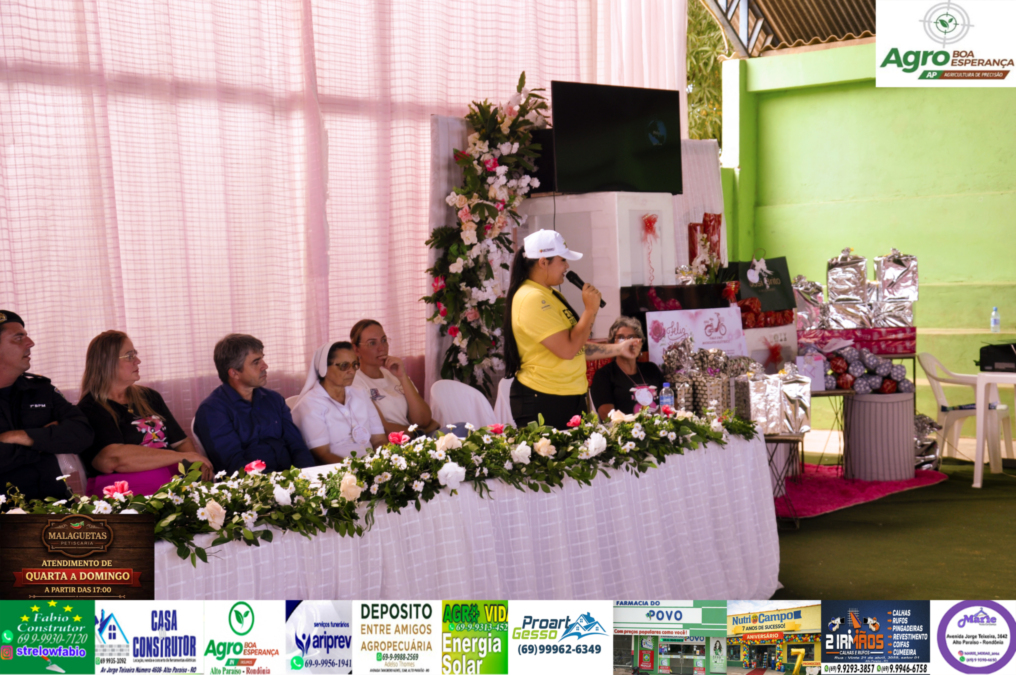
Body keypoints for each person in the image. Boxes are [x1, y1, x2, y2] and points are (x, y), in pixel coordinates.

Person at [502, 229, 639, 429]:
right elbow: (568, 350)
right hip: (544, 397)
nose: (567, 266)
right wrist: (590, 310)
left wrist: (619, 349)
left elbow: (576, 346)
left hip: (568, 395)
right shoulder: (532, 298)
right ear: (543, 262)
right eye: (563, 260)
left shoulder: (550, 295)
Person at [77, 331, 213, 496]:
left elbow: (181, 442)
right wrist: (183, 457)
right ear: (108, 363)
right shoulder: (90, 408)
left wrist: (195, 466)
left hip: (172, 481)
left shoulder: (149, 396)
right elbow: (114, 459)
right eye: (129, 356)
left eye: (135, 354)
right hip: (127, 493)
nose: (138, 361)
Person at [0, 311, 93, 502]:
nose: (30, 343)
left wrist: (24, 437)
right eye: (18, 338)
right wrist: (45, 443)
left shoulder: (41, 390)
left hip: (55, 504)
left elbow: (83, 433)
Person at [194, 334, 316, 474]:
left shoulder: (274, 399)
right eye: (256, 362)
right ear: (234, 373)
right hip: (253, 485)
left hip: (294, 479)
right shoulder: (212, 411)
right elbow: (234, 465)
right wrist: (277, 480)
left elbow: (297, 446)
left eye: (262, 358)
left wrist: (306, 476)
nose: (265, 366)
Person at [291, 341, 386, 463]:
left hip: (373, 466)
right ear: (324, 368)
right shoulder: (310, 404)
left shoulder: (360, 393)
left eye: (355, 364)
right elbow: (323, 455)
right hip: (339, 471)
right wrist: (359, 470)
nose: (352, 371)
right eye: (344, 366)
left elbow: (379, 440)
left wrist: (381, 464)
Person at [350, 320, 439, 435]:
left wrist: (403, 377)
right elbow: (383, 428)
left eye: (384, 340)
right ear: (356, 350)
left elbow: (423, 420)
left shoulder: (394, 375)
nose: (381, 348)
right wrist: (422, 432)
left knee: (460, 429)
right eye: (372, 343)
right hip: (400, 443)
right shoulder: (354, 383)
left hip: (418, 438)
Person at [590, 316, 664, 420]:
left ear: (640, 342)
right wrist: (640, 424)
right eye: (620, 338)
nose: (626, 342)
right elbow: (607, 416)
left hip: (657, 428)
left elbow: (670, 403)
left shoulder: (651, 369)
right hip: (624, 430)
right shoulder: (604, 375)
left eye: (631, 337)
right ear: (612, 344)